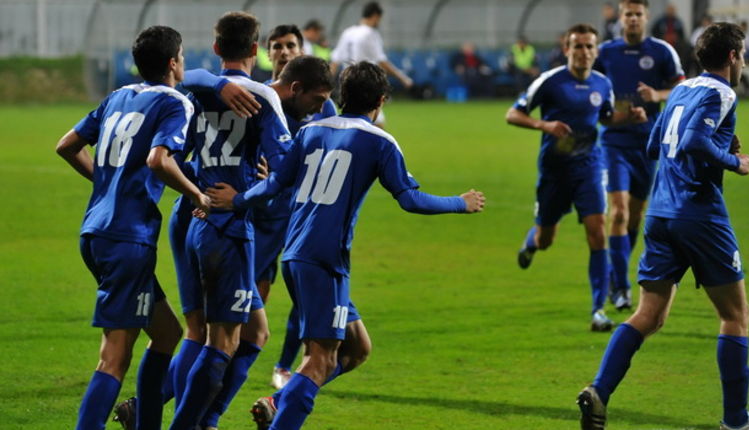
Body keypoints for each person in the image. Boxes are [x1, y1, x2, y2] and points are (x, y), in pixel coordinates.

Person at [203, 61, 485, 430]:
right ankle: (281, 413)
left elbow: (274, 185)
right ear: (381, 101)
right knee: (320, 359)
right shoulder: (380, 141)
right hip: (325, 260)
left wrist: (237, 200)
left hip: (295, 253)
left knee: (356, 349)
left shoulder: (311, 131)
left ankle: (278, 400)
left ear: (339, 95)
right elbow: (410, 199)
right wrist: (459, 203)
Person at [577, 22, 749, 430]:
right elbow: (691, 141)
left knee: (648, 315)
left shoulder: (683, 89)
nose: (742, 63)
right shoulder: (722, 92)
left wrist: (717, 144)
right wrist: (732, 161)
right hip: (700, 216)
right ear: (731, 57)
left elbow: (655, 145)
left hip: (660, 214)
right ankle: (736, 423)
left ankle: (599, 391)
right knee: (736, 316)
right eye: (741, 55)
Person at [55, 25, 209, 430]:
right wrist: (198, 196)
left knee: (167, 333)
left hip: (96, 231)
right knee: (116, 356)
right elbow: (160, 160)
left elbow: (66, 145)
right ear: (174, 62)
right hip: (127, 238)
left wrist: (109, 182)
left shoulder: (118, 96)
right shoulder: (177, 102)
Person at [166, 11, 292, 430]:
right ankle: (189, 425)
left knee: (252, 332)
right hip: (228, 224)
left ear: (216, 47)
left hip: (194, 213)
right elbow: (286, 171)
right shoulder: (261, 95)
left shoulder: (196, 91)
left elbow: (191, 79)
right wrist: (247, 196)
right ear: (257, 49)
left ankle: (205, 419)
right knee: (221, 339)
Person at [507, 24, 646, 332]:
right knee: (546, 239)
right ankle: (531, 243)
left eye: (589, 47)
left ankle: (598, 310)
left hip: (590, 167)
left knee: (597, 232)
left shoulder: (602, 83)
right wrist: (545, 126)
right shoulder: (549, 81)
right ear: (567, 49)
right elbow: (512, 114)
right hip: (555, 172)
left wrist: (629, 117)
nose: (584, 52)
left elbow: (606, 118)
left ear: (596, 51)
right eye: (578, 46)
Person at [594, 0, 685, 311]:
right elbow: (591, 91)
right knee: (617, 212)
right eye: (627, 14)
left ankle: (613, 274)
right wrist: (609, 113)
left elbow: (683, 90)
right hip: (613, 142)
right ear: (621, 18)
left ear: (646, 18)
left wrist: (657, 95)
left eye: (638, 14)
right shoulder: (605, 53)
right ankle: (620, 287)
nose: (632, 19)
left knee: (634, 216)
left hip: (648, 144)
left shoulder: (661, 51)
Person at [330, 1, 413, 126]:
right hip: (366, 83)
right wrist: (403, 78)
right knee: (377, 124)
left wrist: (327, 83)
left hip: (347, 83)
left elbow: (335, 61)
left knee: (351, 120)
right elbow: (381, 61)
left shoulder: (348, 32)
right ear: (375, 16)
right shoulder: (370, 33)